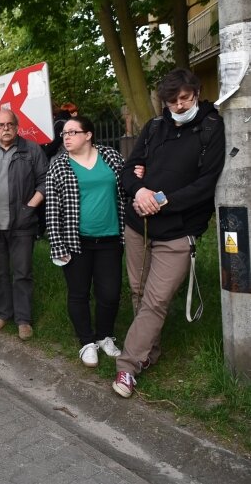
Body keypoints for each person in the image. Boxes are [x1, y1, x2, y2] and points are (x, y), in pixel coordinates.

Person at [112, 68, 225, 398]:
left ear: (197, 93)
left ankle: (127, 367)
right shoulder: (155, 127)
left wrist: (160, 200)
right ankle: (149, 353)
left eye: (185, 98)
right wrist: (140, 192)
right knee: (138, 291)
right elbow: (126, 172)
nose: (179, 105)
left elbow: (205, 185)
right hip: (139, 227)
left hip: (178, 232)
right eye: (172, 100)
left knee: (156, 299)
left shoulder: (211, 127)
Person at [45, 116, 125, 367]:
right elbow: (52, 209)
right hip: (75, 241)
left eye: (72, 132)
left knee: (110, 293)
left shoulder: (111, 157)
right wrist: (57, 244)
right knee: (79, 293)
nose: (66, 137)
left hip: (111, 238)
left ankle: (104, 336)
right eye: (64, 134)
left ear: (88, 135)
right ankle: (86, 342)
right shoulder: (58, 165)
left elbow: (127, 188)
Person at [0, 108, 48, 341]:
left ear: (17, 126)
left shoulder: (31, 150)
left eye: (10, 124)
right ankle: (3, 314)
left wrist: (29, 208)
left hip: (22, 223)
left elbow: (45, 181)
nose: (5, 128)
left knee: (22, 273)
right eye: (1, 125)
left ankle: (23, 320)